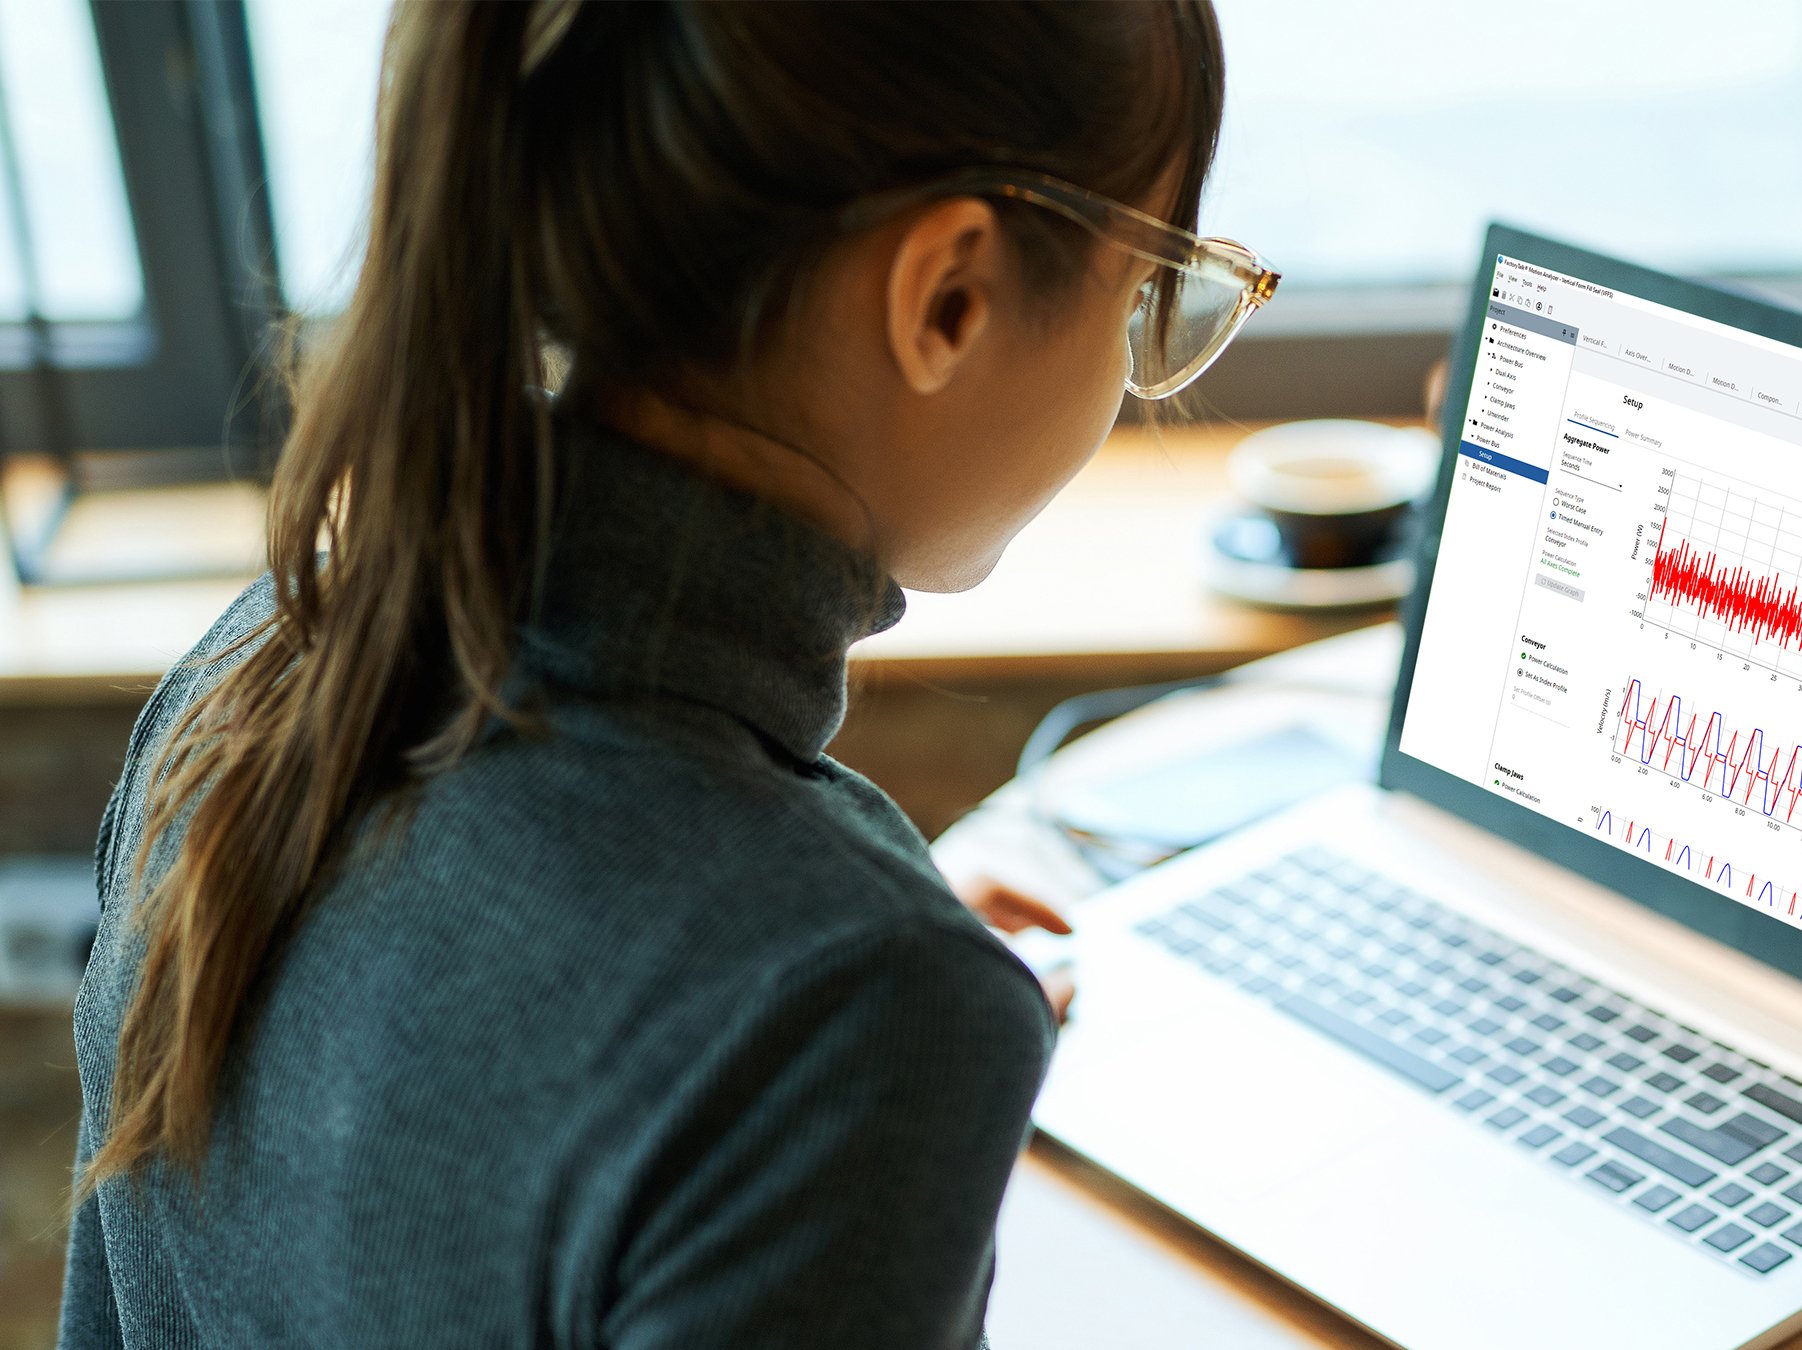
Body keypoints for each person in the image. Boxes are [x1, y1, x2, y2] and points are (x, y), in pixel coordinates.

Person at [59, 2, 1275, 1345]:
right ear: (950, 298)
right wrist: (872, 1012)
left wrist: (840, 962)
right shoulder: (849, 1010)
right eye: (1148, 294)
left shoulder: (255, 669)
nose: (1135, 369)